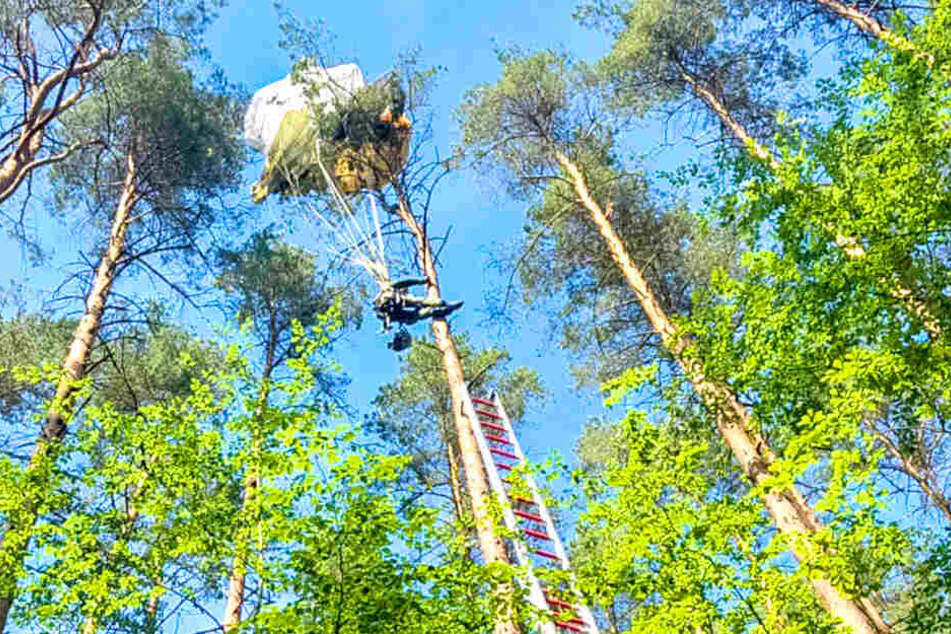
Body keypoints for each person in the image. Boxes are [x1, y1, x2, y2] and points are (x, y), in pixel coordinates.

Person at [373, 278, 463, 331]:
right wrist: (420, 281)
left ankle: (446, 306)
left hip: (405, 314)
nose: (406, 291)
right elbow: (407, 282)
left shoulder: (398, 296)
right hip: (406, 315)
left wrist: (421, 281)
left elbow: (407, 283)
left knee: (422, 305)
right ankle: (446, 307)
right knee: (424, 309)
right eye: (405, 290)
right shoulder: (391, 291)